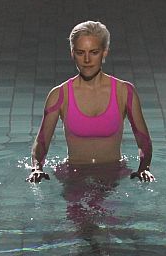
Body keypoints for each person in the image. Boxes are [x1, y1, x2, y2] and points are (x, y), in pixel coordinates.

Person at [27, 21, 154, 183]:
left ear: (104, 52)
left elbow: (144, 141)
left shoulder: (124, 92)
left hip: (113, 174)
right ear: (72, 54)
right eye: (80, 53)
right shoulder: (59, 95)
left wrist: (144, 168)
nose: (87, 59)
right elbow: (41, 143)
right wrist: (37, 168)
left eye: (94, 52)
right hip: (74, 175)